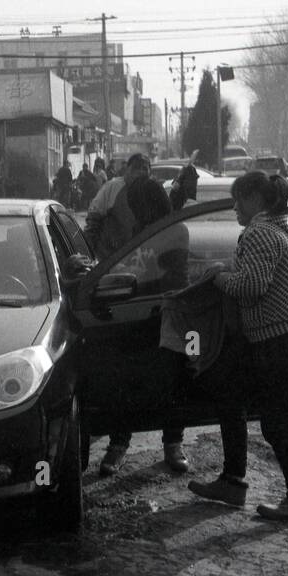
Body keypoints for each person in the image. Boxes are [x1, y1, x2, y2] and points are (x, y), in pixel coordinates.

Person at [189, 171, 288, 524]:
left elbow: (253, 285)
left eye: (238, 200)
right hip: (279, 340)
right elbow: (255, 272)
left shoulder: (260, 232)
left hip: (279, 343)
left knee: (277, 425)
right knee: (230, 396)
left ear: (256, 200)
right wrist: (225, 269)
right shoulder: (273, 229)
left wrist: (218, 277)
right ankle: (232, 481)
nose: (234, 208)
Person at [98, 176, 191, 477]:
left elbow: (174, 279)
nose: (132, 211)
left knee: (170, 384)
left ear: (148, 204)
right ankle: (118, 445)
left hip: (165, 318)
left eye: (136, 205)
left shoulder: (176, 231)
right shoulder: (134, 231)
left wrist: (136, 279)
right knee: (124, 382)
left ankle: (173, 445)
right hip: (132, 316)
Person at [84, 152, 151, 259]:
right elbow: (93, 221)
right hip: (112, 260)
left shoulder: (152, 192)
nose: (140, 172)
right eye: (136, 168)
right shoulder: (112, 187)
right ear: (128, 170)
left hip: (142, 258)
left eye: (144, 168)